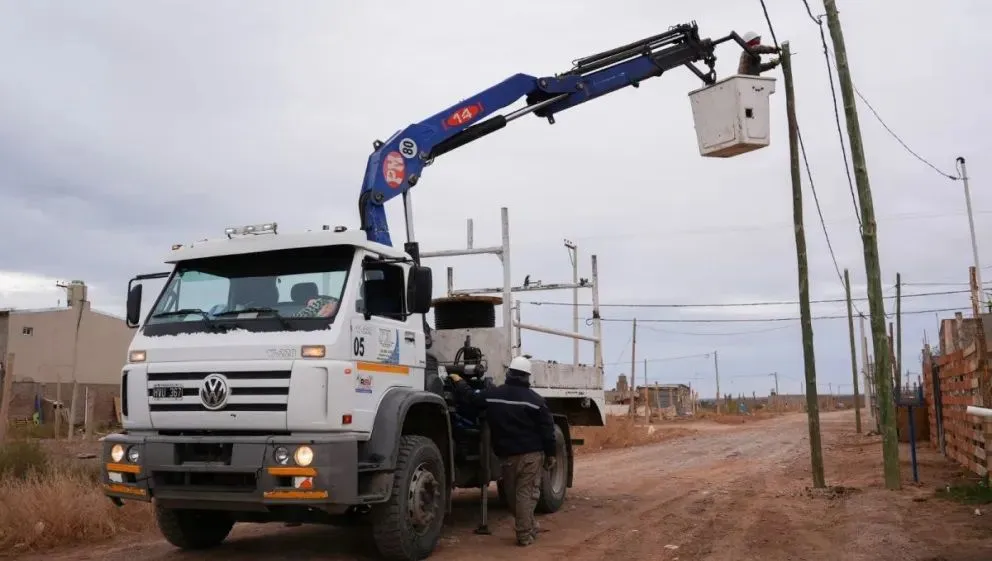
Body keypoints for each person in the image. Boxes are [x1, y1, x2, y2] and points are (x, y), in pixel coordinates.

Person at [448, 355, 557, 547]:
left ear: (509, 373)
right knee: (524, 495)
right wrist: (551, 454)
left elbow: (471, 398)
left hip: (507, 456)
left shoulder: (494, 395)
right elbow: (547, 431)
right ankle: (527, 529)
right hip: (531, 455)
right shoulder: (536, 401)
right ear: (527, 376)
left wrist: (459, 382)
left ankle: (525, 531)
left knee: (515, 496)